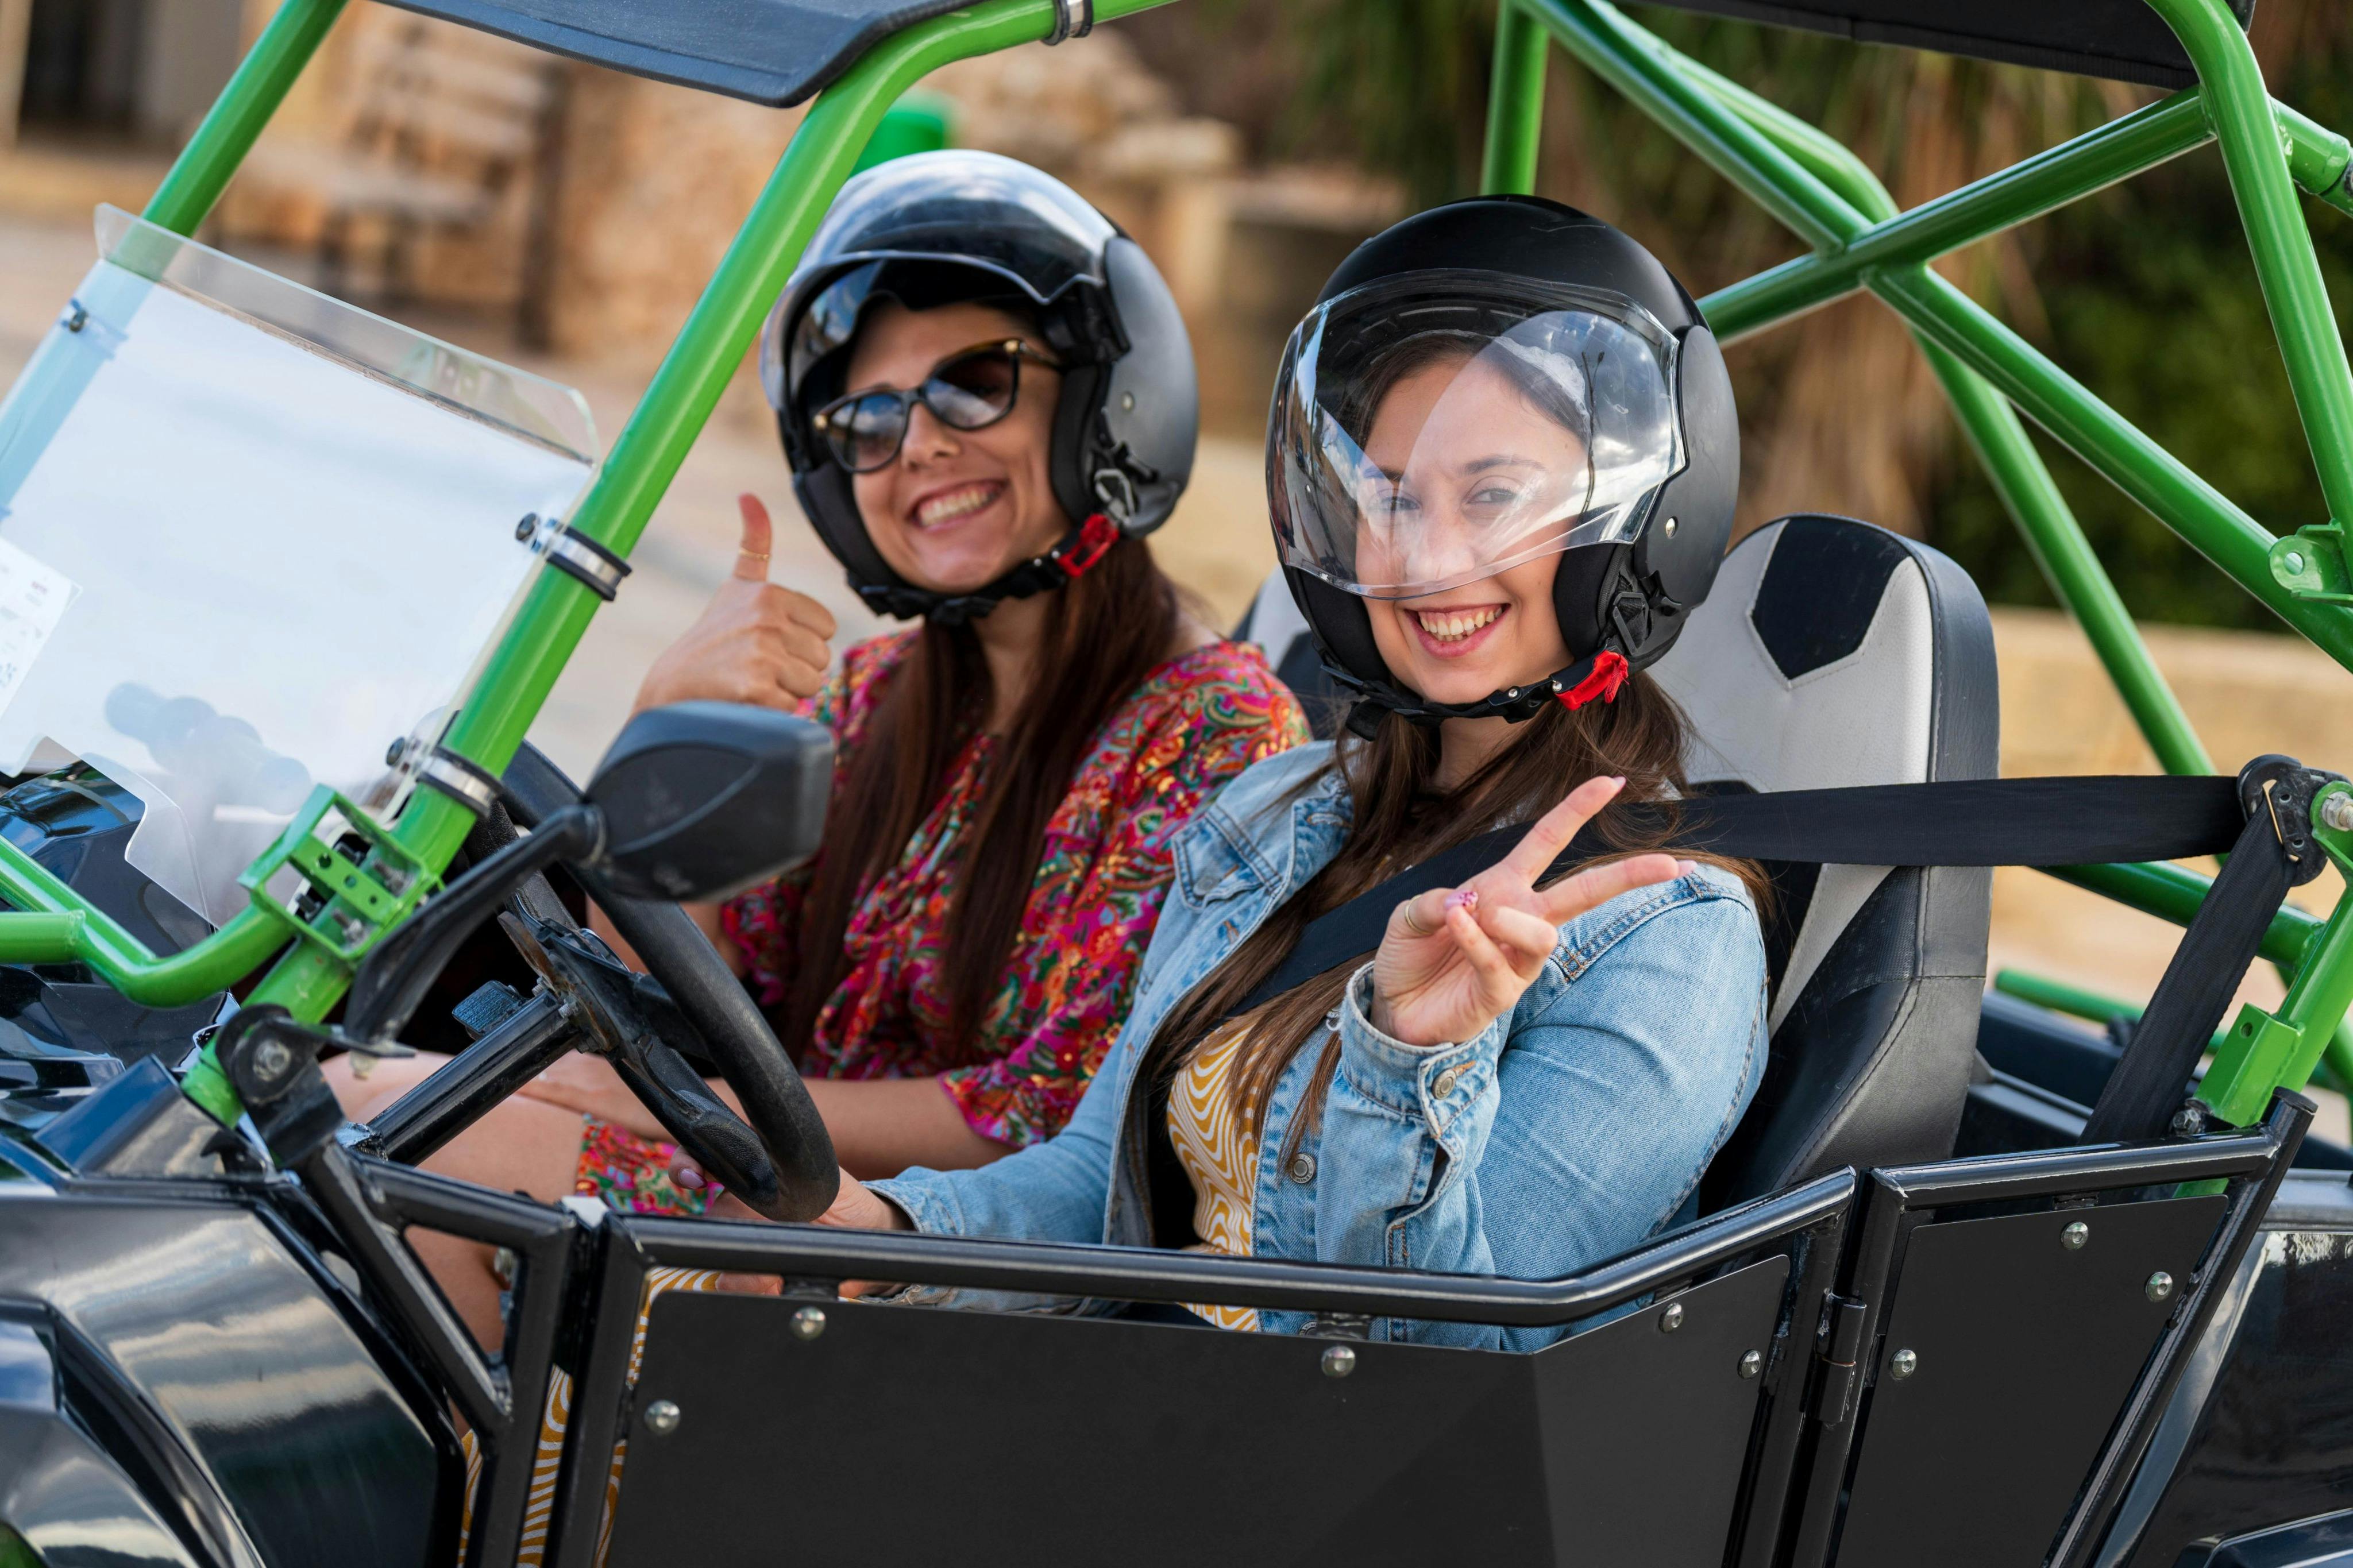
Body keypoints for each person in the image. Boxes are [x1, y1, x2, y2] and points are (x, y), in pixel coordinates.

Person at [746, 195, 1775, 1351]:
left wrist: (1413, 1066)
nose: (1428, 557)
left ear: (1637, 518)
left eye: (1490, 496)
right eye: (1387, 497)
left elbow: (1440, 1366)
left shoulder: (1666, 938)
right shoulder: (1279, 815)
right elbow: (1099, 1182)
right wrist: (886, 1235)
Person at [330, 152, 1305, 1345]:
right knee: (335, 1111)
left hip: (936, 1263)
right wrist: (666, 732)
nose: (917, 445)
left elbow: (1044, 1119)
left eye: (971, 385)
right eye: (869, 416)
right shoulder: (869, 694)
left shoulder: (1208, 725)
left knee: (396, 1147)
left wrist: (706, 1113)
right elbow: (679, 986)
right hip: (777, 1196)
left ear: (1109, 396)